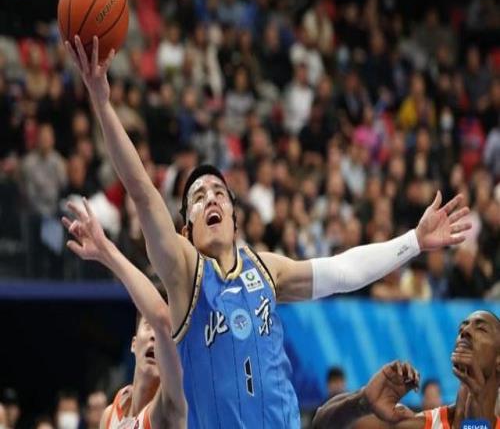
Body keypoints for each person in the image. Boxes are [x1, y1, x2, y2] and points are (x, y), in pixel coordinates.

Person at [66, 35, 472, 428]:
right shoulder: (184, 273)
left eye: (219, 193)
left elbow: (342, 271)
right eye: (198, 197)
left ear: (234, 217)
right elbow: (140, 189)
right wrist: (102, 102)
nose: (211, 199)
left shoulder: (265, 270)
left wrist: (414, 241)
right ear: (185, 231)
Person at [62, 198, 186, 429]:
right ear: (133, 343)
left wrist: (106, 250)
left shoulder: (169, 408)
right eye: (148, 326)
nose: (156, 336)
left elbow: (162, 319)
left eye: (165, 336)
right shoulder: (111, 413)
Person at [312, 310, 500, 428]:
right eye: (462, 327)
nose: (465, 331)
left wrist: (477, 407)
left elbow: (476, 424)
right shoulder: (418, 424)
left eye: (481, 329)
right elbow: (320, 423)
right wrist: (362, 401)